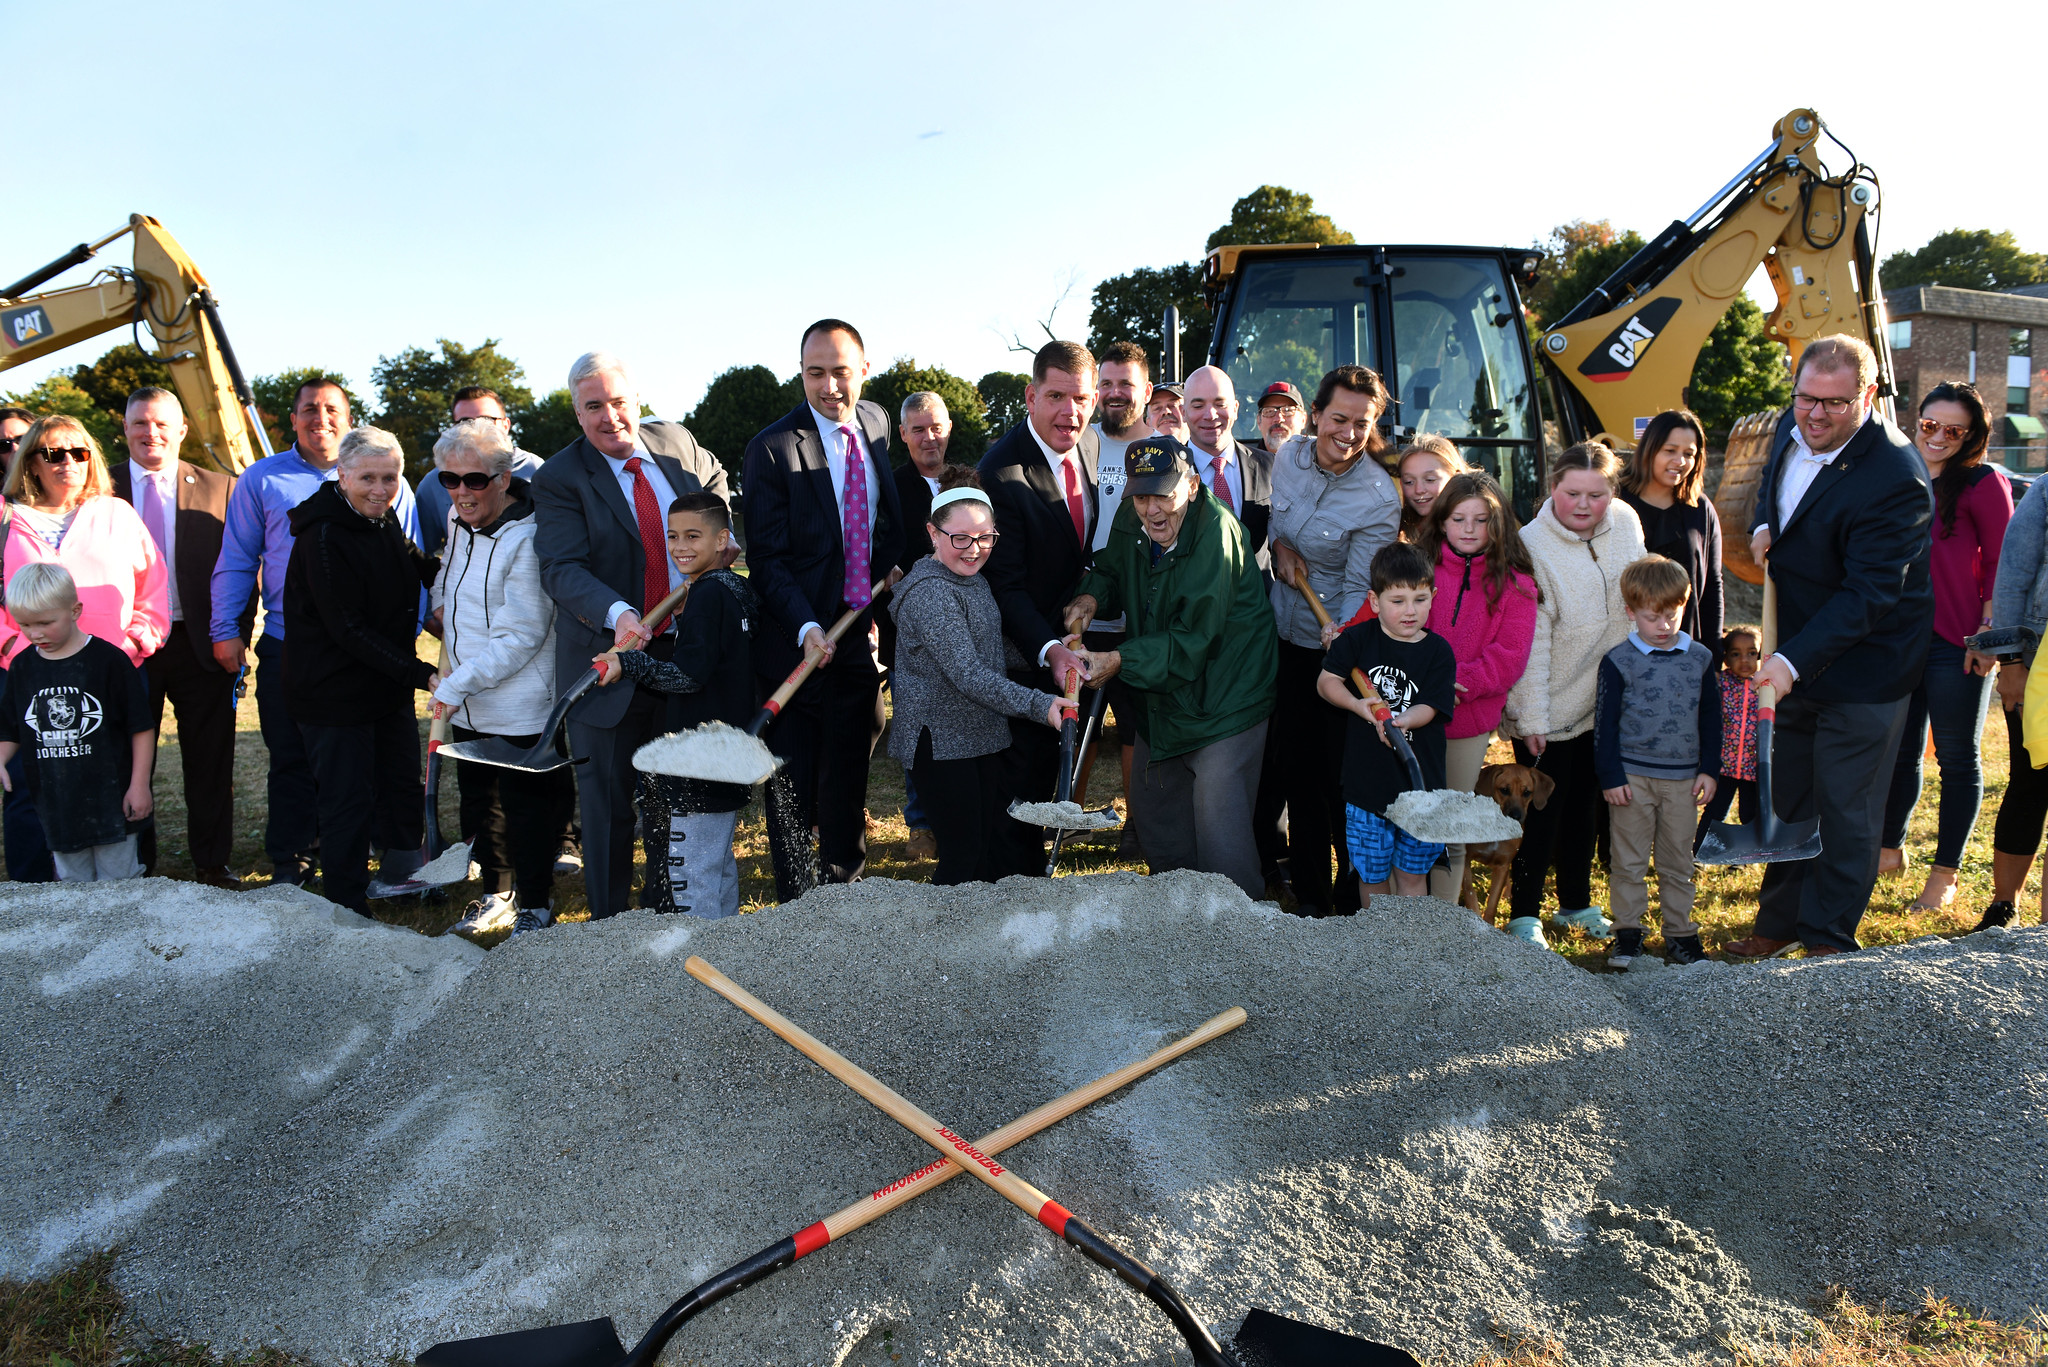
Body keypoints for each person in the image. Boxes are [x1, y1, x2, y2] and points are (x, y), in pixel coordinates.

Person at [1724, 335, 1935, 959]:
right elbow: (1773, 478)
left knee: (1845, 809)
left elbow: (1868, 595)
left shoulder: (1895, 478)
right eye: (1805, 398)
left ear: (1867, 396)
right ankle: (1779, 924)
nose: (1815, 416)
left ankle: (1827, 940)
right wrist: (1766, 523)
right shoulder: (1796, 426)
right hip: (1799, 648)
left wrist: (1786, 662)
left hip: (1865, 666)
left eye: (1835, 405)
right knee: (1790, 797)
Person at [532, 350, 730, 918]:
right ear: (577, 414)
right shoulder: (560, 478)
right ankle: (610, 931)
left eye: (618, 401)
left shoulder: (674, 441)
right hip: (611, 660)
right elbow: (561, 569)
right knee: (609, 807)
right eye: (593, 406)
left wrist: (722, 535)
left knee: (677, 795)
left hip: (683, 657)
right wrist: (618, 612)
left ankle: (668, 916)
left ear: (636, 401)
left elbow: (715, 484)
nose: (609, 416)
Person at [212, 376, 423, 887]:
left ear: (348, 419)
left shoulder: (389, 487)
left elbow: (411, 562)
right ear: (294, 419)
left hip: (377, 651)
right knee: (296, 760)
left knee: (378, 761)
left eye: (332, 408)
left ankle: (383, 861)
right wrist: (226, 627)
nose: (321, 418)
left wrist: (408, 635)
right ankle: (296, 861)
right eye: (310, 408)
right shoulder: (265, 483)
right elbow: (238, 559)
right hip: (299, 645)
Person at [1067, 436, 1278, 896]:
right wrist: (1091, 596)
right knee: (1157, 812)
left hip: (1225, 698)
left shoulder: (1216, 534)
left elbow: (1193, 640)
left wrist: (1120, 660)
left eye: (1164, 493)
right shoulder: (1133, 516)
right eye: (1142, 496)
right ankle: (1179, 922)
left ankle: (1241, 932)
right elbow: (1112, 568)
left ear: (1194, 485)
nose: (1152, 509)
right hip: (1162, 695)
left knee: (1220, 833)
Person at [742, 320, 905, 900]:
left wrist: (887, 568)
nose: (829, 386)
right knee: (792, 778)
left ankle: (842, 885)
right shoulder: (771, 447)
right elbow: (765, 557)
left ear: (864, 369)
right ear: (802, 373)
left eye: (841, 371)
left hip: (857, 626)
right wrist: (807, 626)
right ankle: (794, 903)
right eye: (815, 373)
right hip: (797, 633)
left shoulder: (878, 424)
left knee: (849, 766)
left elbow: (881, 516)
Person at [283, 427, 440, 915]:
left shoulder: (382, 517)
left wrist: (465, 576)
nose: (379, 489)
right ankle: (347, 905)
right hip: (333, 693)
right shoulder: (323, 534)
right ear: (342, 475)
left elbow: (415, 563)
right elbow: (346, 628)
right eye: (367, 478)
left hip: (381, 685)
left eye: (389, 478)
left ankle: (400, 877)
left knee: (399, 785)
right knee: (346, 802)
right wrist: (422, 673)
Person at [1265, 365, 1402, 916]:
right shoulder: (1288, 459)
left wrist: (1340, 637)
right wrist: (1278, 551)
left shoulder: (1377, 499)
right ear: (1316, 413)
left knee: (1333, 779)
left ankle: (1349, 900)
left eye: (1362, 424)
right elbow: (1277, 529)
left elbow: (1358, 588)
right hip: (1281, 640)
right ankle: (1308, 897)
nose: (1348, 433)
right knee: (1293, 772)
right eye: (1338, 418)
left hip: (1336, 653)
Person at [1501, 441, 1647, 948]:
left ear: (1613, 491)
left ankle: (1576, 903)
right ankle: (1523, 915)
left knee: (1587, 805)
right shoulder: (1531, 545)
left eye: (1598, 494)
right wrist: (1533, 718)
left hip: (1606, 703)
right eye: (1572, 493)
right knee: (1543, 813)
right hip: (1551, 703)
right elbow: (1532, 641)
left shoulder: (1626, 523)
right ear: (1553, 489)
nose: (1584, 505)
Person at [429, 417, 571, 938]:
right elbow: (448, 581)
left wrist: (453, 685)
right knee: (480, 801)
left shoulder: (530, 537)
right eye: (450, 478)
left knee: (526, 808)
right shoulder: (456, 520)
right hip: (468, 695)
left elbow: (523, 635)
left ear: (504, 479)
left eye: (474, 480)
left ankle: (534, 903)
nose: (461, 492)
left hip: (520, 702)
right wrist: (441, 615)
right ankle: (496, 893)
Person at [888, 478, 1064, 884]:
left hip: (979, 735)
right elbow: (968, 674)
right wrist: (1041, 705)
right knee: (963, 857)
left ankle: (975, 939)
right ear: (933, 533)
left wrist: (1052, 651)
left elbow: (988, 648)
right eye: (961, 538)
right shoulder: (931, 593)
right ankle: (941, 940)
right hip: (942, 745)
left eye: (986, 537)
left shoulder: (970, 578)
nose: (975, 549)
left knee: (984, 851)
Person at [593, 491, 758, 920]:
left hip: (698, 760)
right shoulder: (736, 589)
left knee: (693, 871)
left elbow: (687, 675)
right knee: (718, 862)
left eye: (692, 536)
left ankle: (699, 963)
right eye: (672, 536)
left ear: (723, 539)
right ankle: (727, 948)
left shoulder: (707, 595)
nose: (680, 546)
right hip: (729, 749)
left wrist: (629, 663)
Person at [1878, 383, 2010, 912]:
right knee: (1900, 751)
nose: (1937, 437)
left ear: (1971, 435)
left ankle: (1945, 874)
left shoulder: (1983, 483)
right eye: (1930, 424)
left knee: (1957, 759)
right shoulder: (1898, 472)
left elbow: (2004, 562)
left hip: (1958, 642)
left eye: (1953, 430)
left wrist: (1988, 636)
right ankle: (1889, 849)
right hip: (1899, 638)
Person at [112, 387, 250, 888]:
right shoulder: (98, 489)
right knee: (126, 759)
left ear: (182, 429)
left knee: (210, 758)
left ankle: (213, 863)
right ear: (124, 427)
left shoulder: (222, 488)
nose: (152, 433)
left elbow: (241, 568)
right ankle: (135, 864)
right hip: (123, 649)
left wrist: (232, 633)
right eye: (140, 423)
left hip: (201, 643)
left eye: (162, 423)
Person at [978, 340, 1099, 878]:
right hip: (1019, 662)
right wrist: (1049, 649)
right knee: (1018, 801)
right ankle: (1012, 902)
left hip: (1065, 650)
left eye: (1080, 398)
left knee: (1048, 785)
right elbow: (1004, 587)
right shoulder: (1001, 474)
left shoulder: (1090, 448)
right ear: (1030, 396)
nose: (1069, 412)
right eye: (1055, 396)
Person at [1412, 471, 1539, 902]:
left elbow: (1508, 657)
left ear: (1498, 524)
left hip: (1466, 722)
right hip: (1406, 715)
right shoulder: (1418, 567)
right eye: (1459, 519)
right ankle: (1398, 917)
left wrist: (1452, 683)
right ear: (1441, 520)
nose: (1469, 529)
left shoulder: (1517, 584)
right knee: (1405, 821)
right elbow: (1387, 620)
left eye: (1481, 520)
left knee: (1449, 826)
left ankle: (1447, 923)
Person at [1594, 556, 1719, 969]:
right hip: (1632, 779)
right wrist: (1611, 776)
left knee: (1678, 861)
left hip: (1684, 780)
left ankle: (1681, 936)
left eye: (1673, 614)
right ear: (1631, 612)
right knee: (1628, 860)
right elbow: (1604, 724)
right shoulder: (1618, 661)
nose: (1664, 625)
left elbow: (1711, 718)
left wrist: (1709, 769)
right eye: (1652, 617)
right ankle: (1627, 936)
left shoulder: (1700, 658)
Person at [1318, 542, 1458, 908]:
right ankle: (1377, 950)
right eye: (1397, 601)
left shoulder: (1439, 652)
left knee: (1413, 877)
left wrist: (1398, 721)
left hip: (1419, 790)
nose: (1410, 611)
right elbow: (1326, 682)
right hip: (1367, 790)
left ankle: (1410, 950)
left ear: (1433, 597)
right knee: (1372, 874)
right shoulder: (1358, 640)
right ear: (1375, 601)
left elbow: (1430, 706)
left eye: (1420, 599)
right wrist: (1358, 705)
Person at [0, 564, 154, 881]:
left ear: (75, 610)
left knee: (120, 886)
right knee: (72, 891)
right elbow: (11, 728)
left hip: (112, 804)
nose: (34, 633)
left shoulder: (109, 661)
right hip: (57, 806)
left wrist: (139, 786)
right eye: (25, 624)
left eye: (45, 623)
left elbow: (141, 727)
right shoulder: (22, 668)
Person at [1, 416, 168, 670]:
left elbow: (154, 587)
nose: (69, 461)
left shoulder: (118, 513)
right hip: (26, 670)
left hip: (112, 668)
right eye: (54, 454)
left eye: (80, 453)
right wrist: (9, 645)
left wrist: (133, 642)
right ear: (31, 464)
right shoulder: (4, 516)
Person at [1078, 340, 1155, 840]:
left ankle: (1139, 824)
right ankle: (1066, 816)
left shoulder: (1164, 450)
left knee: (1135, 724)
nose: (1113, 393)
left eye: (1125, 384)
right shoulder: (1078, 442)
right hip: (1083, 609)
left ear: (1146, 390)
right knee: (1078, 719)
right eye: (1104, 383)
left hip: (1140, 617)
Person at [884, 391, 953, 860]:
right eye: (918, 429)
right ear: (904, 435)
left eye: (936, 427)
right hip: (908, 631)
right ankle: (921, 824)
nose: (929, 438)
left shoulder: (972, 482)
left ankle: (959, 813)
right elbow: (874, 549)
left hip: (968, 620)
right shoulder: (887, 488)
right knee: (917, 722)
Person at [1980, 467, 2048, 929]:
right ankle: (2004, 906)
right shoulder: (2046, 489)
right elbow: (2014, 574)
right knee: (2031, 782)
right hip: (2039, 656)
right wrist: (2011, 662)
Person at [1616, 408, 1724, 659]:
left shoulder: (1700, 508)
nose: (1680, 461)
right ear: (1650, 449)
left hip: (1684, 653)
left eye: (1689, 454)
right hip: (1624, 654)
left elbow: (1712, 587)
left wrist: (1713, 656)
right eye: (1670, 451)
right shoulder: (1616, 502)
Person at [0, 404, 52, 881]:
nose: (14, 450)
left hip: (76, 661)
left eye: (24, 441)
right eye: (5, 443)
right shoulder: (5, 516)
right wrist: (10, 642)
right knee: (22, 781)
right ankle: (30, 888)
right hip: (15, 663)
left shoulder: (79, 510)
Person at [415, 387, 545, 559]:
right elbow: (425, 553)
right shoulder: (434, 483)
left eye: (486, 420)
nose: (476, 429)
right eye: (465, 422)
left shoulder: (538, 471)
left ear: (506, 425)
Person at [1182, 366, 1271, 562]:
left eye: (1220, 404)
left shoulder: (1269, 466)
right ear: (1183, 412)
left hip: (1259, 591)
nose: (1211, 415)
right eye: (1198, 406)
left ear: (1236, 409)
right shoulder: (1168, 472)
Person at [1694, 625, 1763, 851]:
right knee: (1715, 811)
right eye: (1736, 654)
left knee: (1749, 814)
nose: (1744, 660)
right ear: (1725, 658)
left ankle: (1743, 856)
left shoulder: (1766, 686)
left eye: (1752, 653)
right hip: (1724, 765)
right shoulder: (1721, 683)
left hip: (1753, 767)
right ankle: (1700, 851)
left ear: (1761, 655)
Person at [1395, 435, 1471, 540]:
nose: (1419, 490)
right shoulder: (1394, 530)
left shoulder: (1476, 530)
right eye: (1409, 482)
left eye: (1430, 480)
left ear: (1455, 477)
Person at [1254, 382, 1306, 457]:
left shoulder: (1321, 464)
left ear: (1303, 419)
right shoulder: (1243, 466)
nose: (1278, 419)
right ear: (1259, 421)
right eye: (1269, 411)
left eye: (1287, 411)